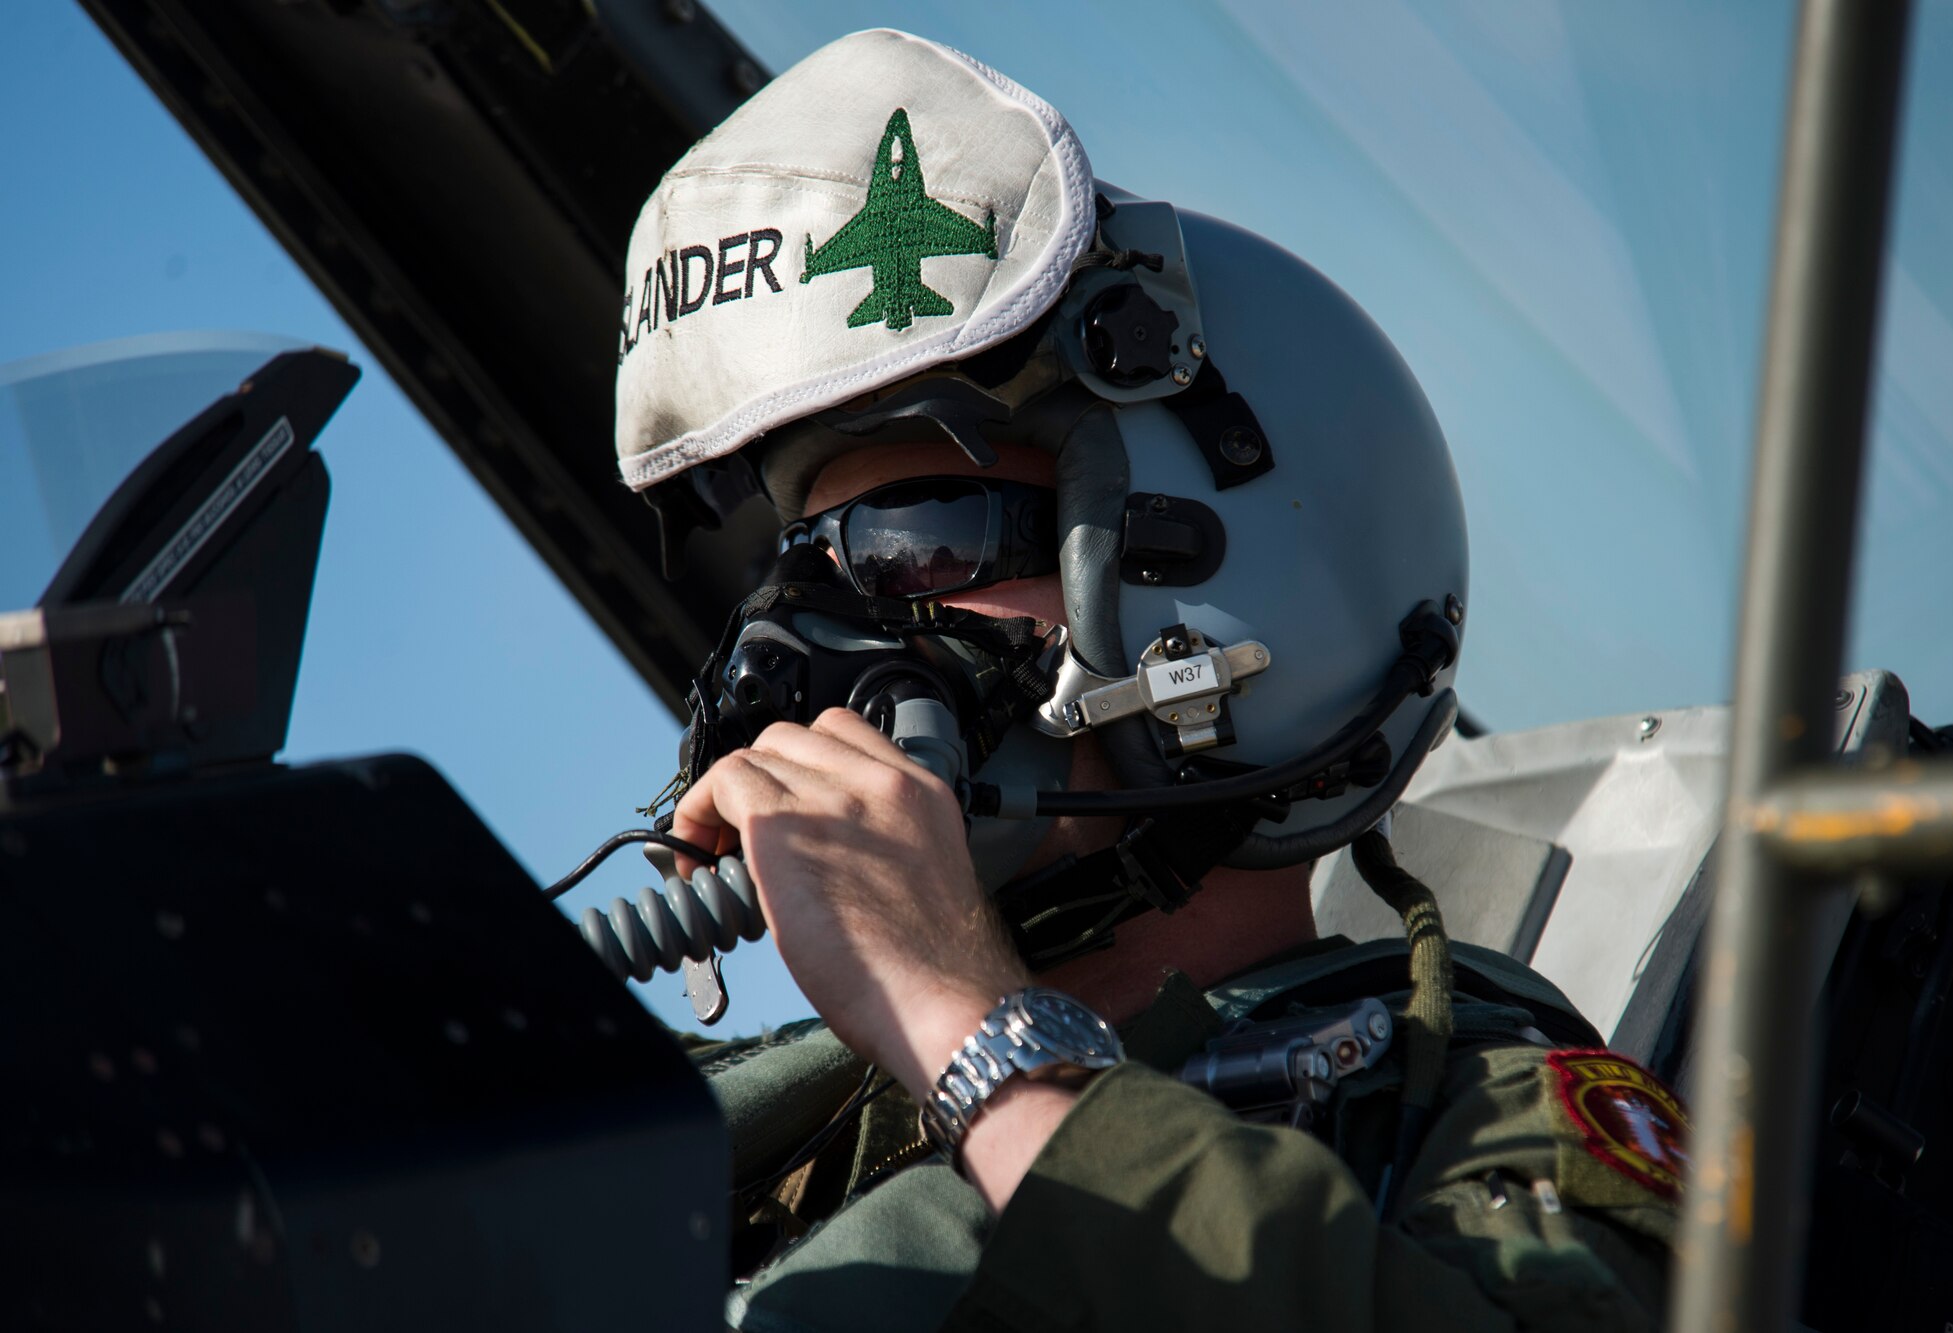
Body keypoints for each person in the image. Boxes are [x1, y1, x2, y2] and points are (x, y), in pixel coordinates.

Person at [614, 28, 1681, 1332]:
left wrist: (965, 1023)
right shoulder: (758, 1127)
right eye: (801, 571)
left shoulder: (1475, 1110)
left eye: (917, 542)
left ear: (1230, 587)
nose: (810, 647)